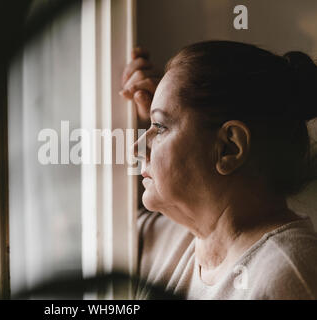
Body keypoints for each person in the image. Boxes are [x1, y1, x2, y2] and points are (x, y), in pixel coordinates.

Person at [120, 40, 317, 299]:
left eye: (160, 128)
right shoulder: (175, 238)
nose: (136, 147)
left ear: (229, 148)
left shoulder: (287, 276)